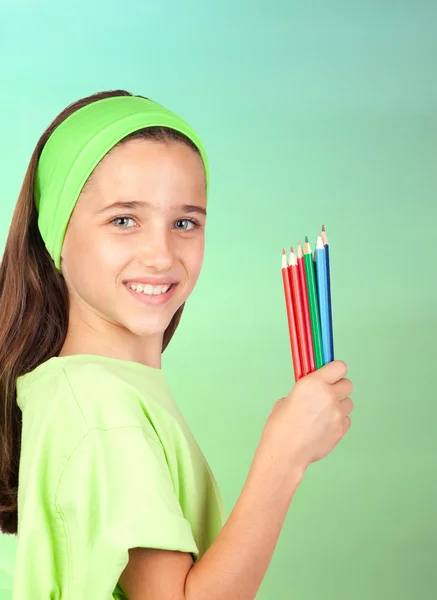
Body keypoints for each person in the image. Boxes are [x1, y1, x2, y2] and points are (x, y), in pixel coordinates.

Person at [0, 89, 354, 600]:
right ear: (56, 232)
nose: (161, 254)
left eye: (184, 222)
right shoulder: (99, 406)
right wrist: (284, 456)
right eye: (124, 220)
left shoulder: (97, 390)